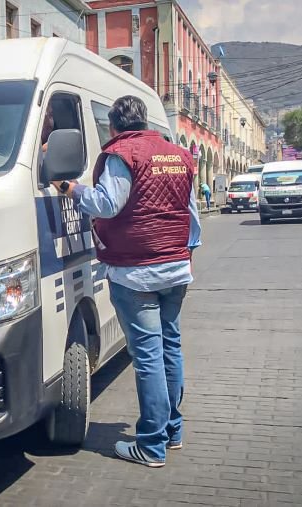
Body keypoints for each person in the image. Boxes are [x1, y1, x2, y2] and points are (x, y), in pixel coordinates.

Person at [52, 95, 200, 468]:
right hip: (176, 268)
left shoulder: (122, 154)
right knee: (170, 349)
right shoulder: (177, 155)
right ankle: (173, 431)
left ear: (114, 126)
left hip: (136, 273)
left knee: (148, 356)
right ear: (145, 121)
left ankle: (151, 445)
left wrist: (71, 189)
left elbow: (106, 204)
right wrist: (184, 254)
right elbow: (191, 216)